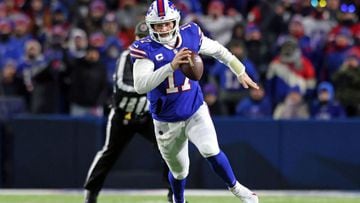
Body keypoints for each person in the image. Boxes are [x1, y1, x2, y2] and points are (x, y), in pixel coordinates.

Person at [130, 0, 259, 202]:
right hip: (166, 120)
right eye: (158, 25)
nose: (163, 28)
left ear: (175, 22)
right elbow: (140, 85)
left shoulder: (190, 34)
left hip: (194, 109)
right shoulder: (145, 49)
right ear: (151, 26)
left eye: (167, 23)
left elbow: (218, 50)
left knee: (210, 149)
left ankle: (237, 189)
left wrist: (239, 70)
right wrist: (170, 66)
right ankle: (178, 200)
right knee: (180, 171)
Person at [83, 21, 172, 203]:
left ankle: (174, 195)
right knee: (109, 153)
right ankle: (90, 194)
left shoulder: (160, 56)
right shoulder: (126, 56)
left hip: (147, 115)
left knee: (169, 151)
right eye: (140, 38)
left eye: (147, 38)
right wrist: (149, 87)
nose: (143, 42)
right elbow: (122, 86)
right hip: (123, 114)